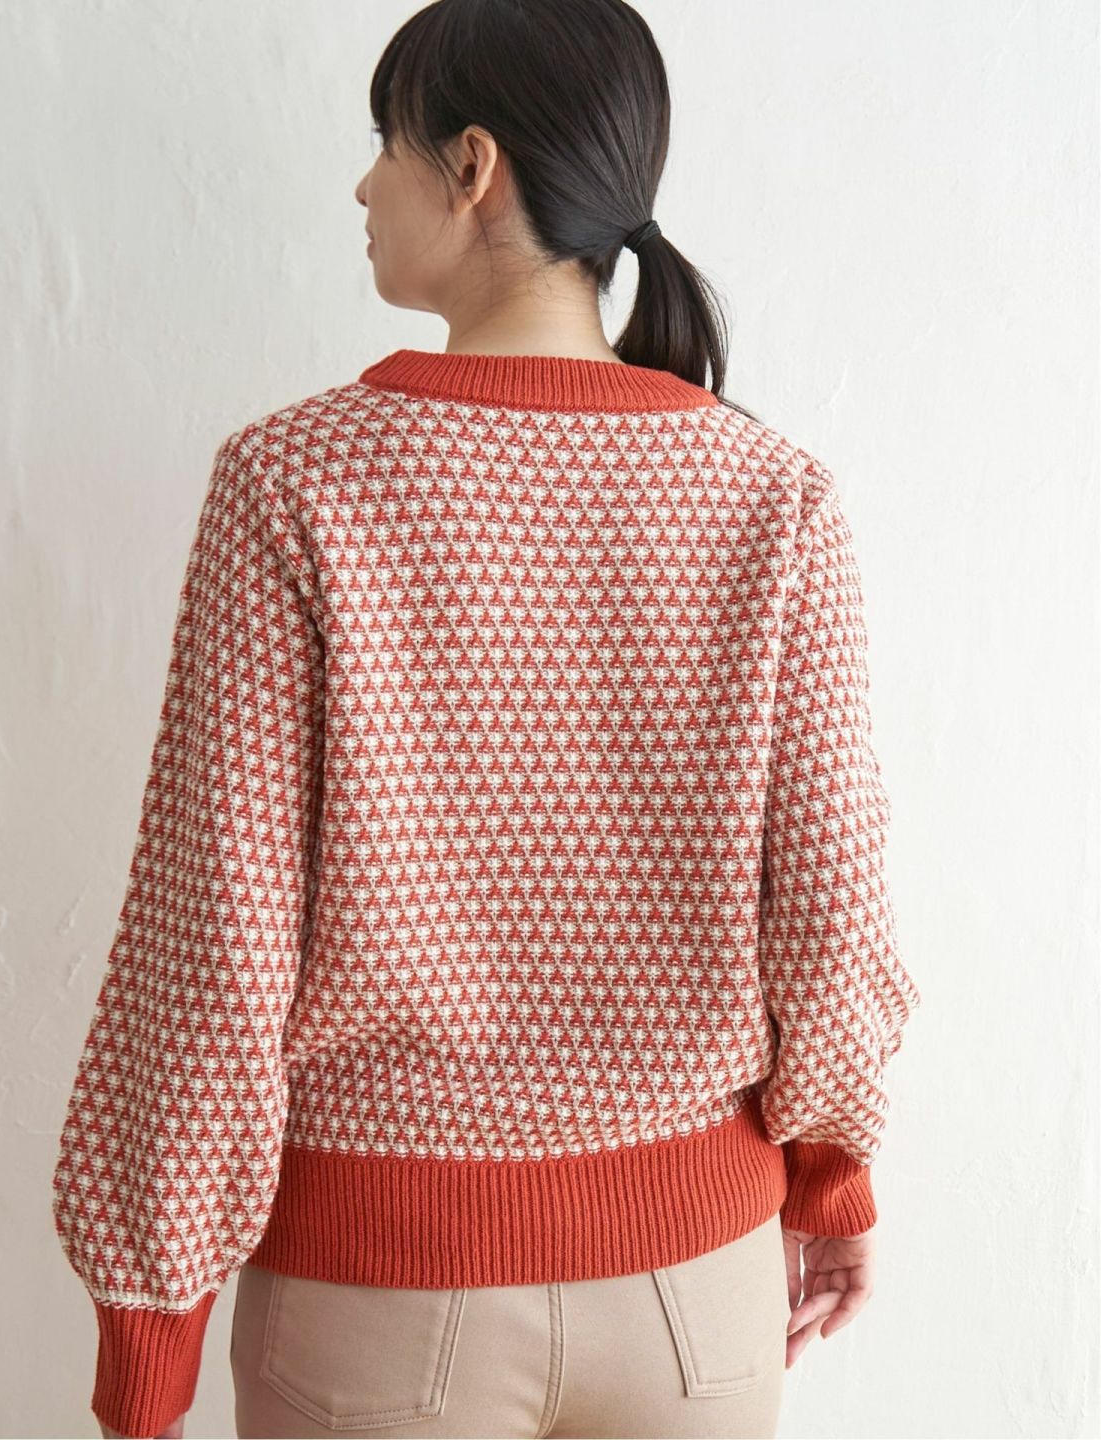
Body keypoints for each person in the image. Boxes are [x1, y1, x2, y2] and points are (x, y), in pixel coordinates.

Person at [51, 2, 921, 1437]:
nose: (361, 186)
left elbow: (214, 943)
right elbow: (833, 909)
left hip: (379, 1300)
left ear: (470, 165)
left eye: (382, 144)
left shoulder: (296, 483)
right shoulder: (771, 497)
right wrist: (833, 1176)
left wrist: (148, 1339)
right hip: (697, 1300)